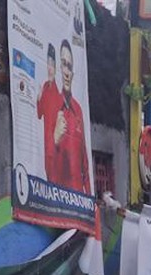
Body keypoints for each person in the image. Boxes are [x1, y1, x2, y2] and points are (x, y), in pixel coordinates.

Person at [50, 39, 91, 195]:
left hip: (78, 201)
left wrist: (90, 198)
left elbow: (85, 162)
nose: (67, 72)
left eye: (70, 66)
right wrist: (55, 140)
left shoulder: (78, 110)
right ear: (59, 69)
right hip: (56, 199)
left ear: (73, 73)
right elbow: (44, 160)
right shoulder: (52, 105)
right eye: (64, 65)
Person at [36, 42, 62, 183]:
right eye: (48, 64)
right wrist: (39, 98)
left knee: (54, 175)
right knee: (47, 172)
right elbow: (39, 114)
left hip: (54, 140)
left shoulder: (58, 93)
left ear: (56, 68)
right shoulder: (45, 87)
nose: (49, 68)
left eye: (52, 64)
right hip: (45, 138)